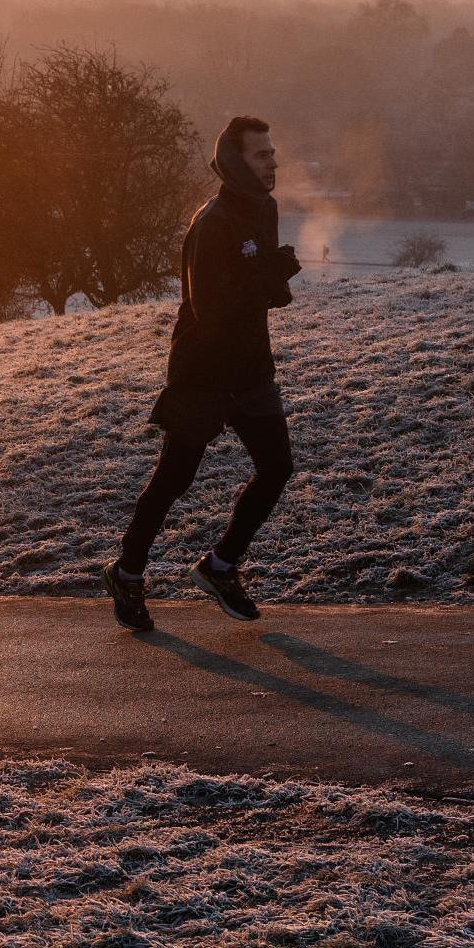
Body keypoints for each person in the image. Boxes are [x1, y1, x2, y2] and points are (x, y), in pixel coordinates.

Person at [104, 116, 301, 631]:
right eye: (261, 155)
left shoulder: (265, 208)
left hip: (252, 370)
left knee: (277, 467)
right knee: (174, 479)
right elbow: (211, 311)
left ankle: (220, 566)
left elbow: (265, 293)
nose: (273, 163)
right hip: (203, 373)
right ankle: (126, 574)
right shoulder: (211, 224)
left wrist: (275, 280)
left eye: (273, 153)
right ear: (236, 163)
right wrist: (267, 274)